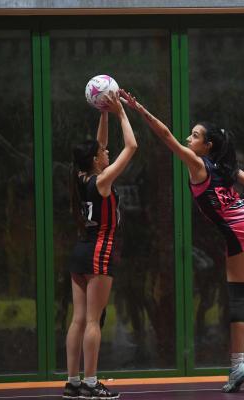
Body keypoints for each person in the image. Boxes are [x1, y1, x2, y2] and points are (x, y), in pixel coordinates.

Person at [120, 90, 244, 393]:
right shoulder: (226, 168)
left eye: (194, 135)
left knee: (238, 298)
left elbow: (166, 135)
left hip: (238, 231)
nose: (188, 138)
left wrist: (138, 108)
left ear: (206, 146)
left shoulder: (197, 166)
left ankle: (237, 365)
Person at [62, 90, 137, 400]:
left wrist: (102, 112)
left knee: (78, 319)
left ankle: (72, 382)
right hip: (99, 251)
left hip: (80, 251)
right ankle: (92, 384)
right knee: (94, 320)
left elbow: (102, 144)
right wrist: (121, 113)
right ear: (96, 160)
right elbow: (132, 146)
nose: (107, 153)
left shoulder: (80, 176)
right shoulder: (102, 181)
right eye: (103, 153)